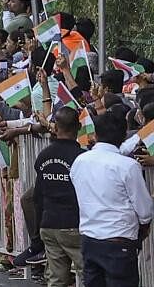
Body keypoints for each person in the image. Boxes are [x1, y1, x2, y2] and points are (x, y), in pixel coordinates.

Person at [70, 107, 154, 286]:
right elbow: (145, 211)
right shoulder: (128, 166)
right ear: (123, 135)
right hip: (119, 241)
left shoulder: (80, 161)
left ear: (95, 135)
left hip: (89, 239)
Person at [35, 106, 85, 287]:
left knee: (56, 279)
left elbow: (37, 195)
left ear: (55, 127)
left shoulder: (43, 156)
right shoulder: (82, 158)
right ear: (79, 127)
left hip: (49, 223)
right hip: (74, 223)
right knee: (89, 274)